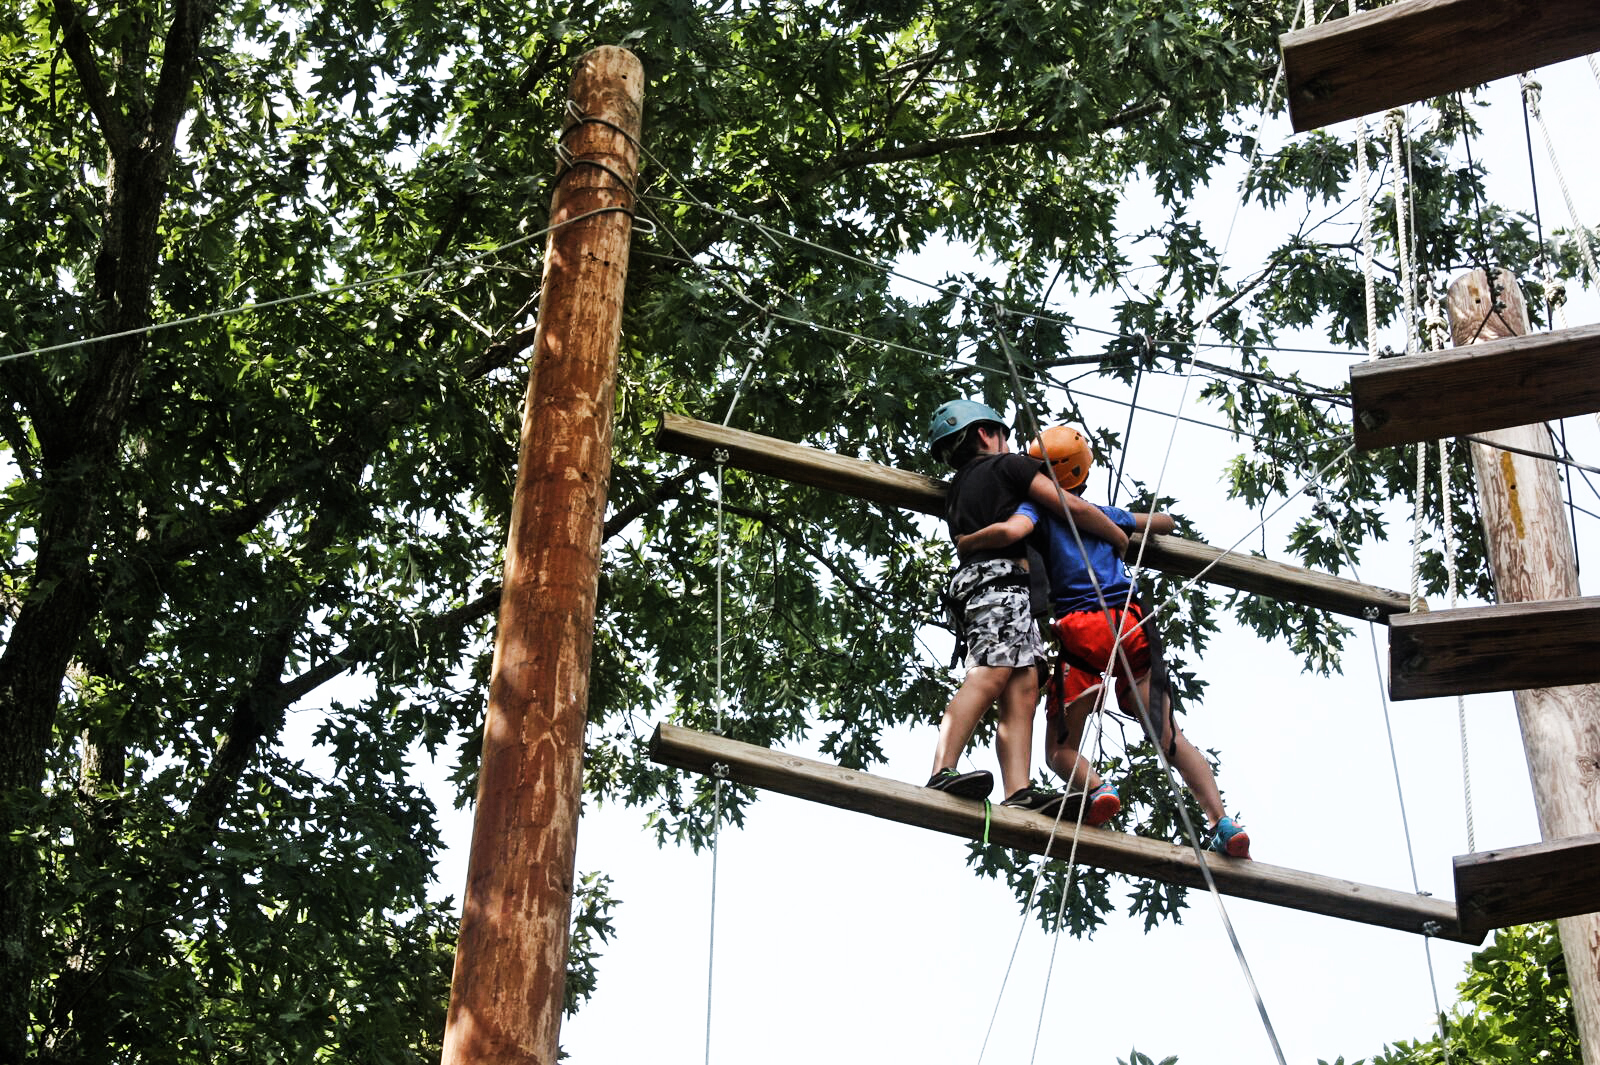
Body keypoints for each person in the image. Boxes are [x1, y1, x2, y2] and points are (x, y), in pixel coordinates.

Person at [955, 424, 1251, 857]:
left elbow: (1013, 531)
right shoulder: (1105, 513)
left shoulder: (1037, 511)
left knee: (1059, 750)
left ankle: (1098, 789)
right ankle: (1222, 821)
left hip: (1084, 631)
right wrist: (1123, 528)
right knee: (1169, 735)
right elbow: (1164, 523)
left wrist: (970, 540)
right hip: (1132, 624)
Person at [925, 400, 1131, 813]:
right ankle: (942, 769)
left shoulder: (961, 488)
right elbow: (1067, 505)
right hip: (998, 583)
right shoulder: (1009, 467)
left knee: (1023, 688)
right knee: (993, 672)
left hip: (1002, 590)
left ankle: (1017, 792)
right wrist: (1115, 536)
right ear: (986, 434)